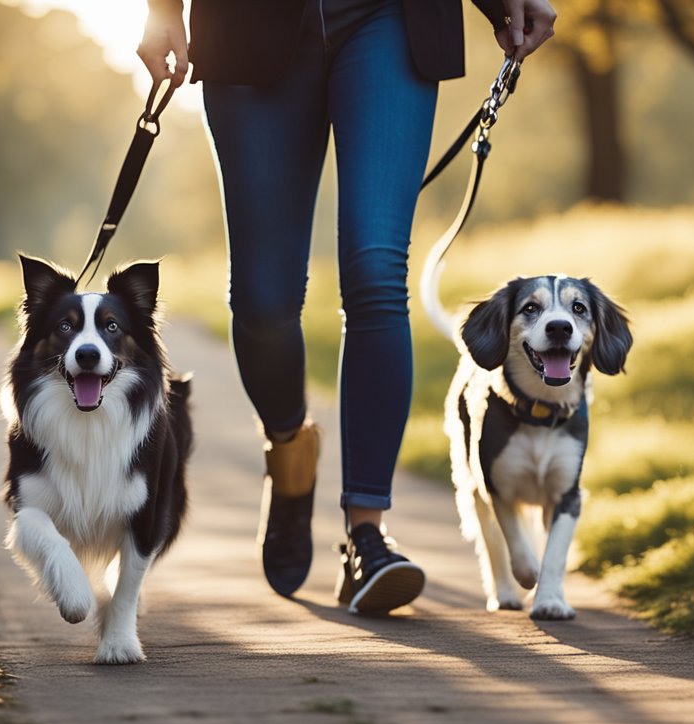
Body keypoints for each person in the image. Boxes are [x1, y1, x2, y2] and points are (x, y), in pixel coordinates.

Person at [138, 0, 557, 614]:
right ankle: (289, 450)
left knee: (376, 269)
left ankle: (368, 533)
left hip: (392, 17)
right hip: (247, 25)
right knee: (264, 299)